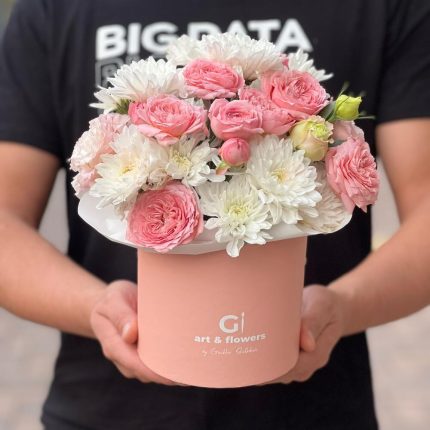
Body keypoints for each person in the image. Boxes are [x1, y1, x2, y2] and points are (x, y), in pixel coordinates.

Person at [0, 0, 429, 429]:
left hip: (321, 411)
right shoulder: (55, 8)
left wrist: (344, 307)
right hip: (102, 411)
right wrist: (95, 308)